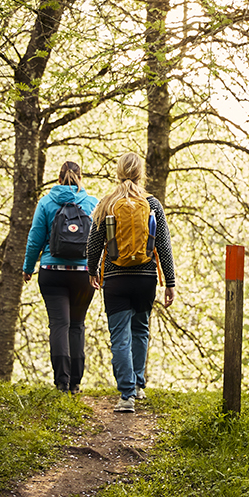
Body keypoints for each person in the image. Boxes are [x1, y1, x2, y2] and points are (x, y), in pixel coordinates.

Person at [87, 152, 176, 413]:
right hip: (146, 278)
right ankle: (138, 385)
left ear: (118, 172)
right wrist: (169, 281)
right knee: (140, 330)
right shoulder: (153, 204)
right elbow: (164, 246)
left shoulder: (106, 203)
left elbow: (93, 243)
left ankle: (126, 396)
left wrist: (92, 271)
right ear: (141, 173)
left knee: (120, 337)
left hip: (115, 279)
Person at [22, 160, 98, 394]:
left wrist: (28, 267)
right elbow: (99, 239)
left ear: (58, 179)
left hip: (52, 273)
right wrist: (98, 270)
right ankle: (76, 383)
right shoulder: (93, 203)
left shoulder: (45, 202)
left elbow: (35, 237)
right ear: (80, 178)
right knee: (77, 325)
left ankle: (61, 382)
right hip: (83, 275)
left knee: (58, 325)